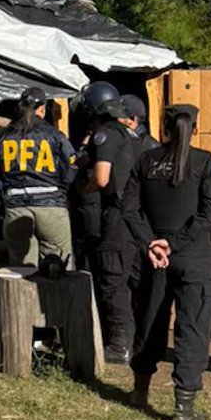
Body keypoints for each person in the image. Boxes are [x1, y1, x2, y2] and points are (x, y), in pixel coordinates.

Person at [124, 104, 211, 420]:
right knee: (191, 329)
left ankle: (139, 392)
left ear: (164, 126)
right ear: (194, 127)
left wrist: (151, 243)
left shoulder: (146, 161)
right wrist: (176, 242)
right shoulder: (204, 162)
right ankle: (183, 408)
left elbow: (130, 208)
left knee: (149, 322)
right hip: (192, 256)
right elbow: (210, 213)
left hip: (156, 256)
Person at [79, 84, 142, 364]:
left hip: (115, 217)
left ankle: (119, 345)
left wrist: (85, 188)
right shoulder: (131, 135)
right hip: (135, 217)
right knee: (131, 281)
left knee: (113, 281)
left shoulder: (106, 135)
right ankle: (133, 340)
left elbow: (102, 178)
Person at [0, 87, 78, 268]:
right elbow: (71, 166)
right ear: (42, 109)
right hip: (51, 206)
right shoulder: (54, 134)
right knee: (59, 268)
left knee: (21, 269)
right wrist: (62, 189)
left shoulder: (6, 136)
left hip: (16, 208)